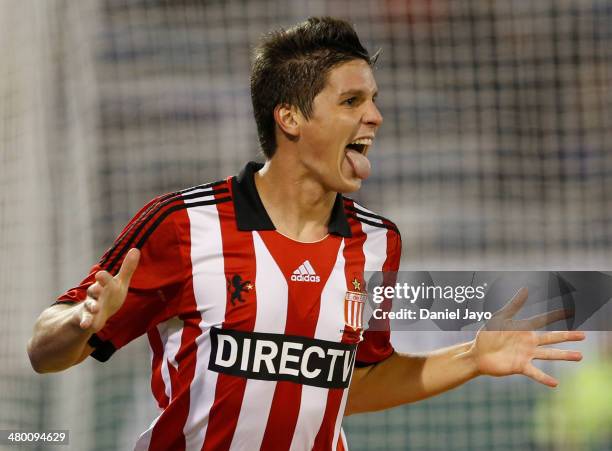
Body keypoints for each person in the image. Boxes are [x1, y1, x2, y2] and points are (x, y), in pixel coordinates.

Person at [27, 16, 585, 451]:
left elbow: (353, 385)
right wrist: (81, 322)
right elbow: (43, 353)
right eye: (351, 101)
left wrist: (472, 356)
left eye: (374, 100)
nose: (375, 117)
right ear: (290, 118)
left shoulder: (377, 243)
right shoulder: (183, 224)